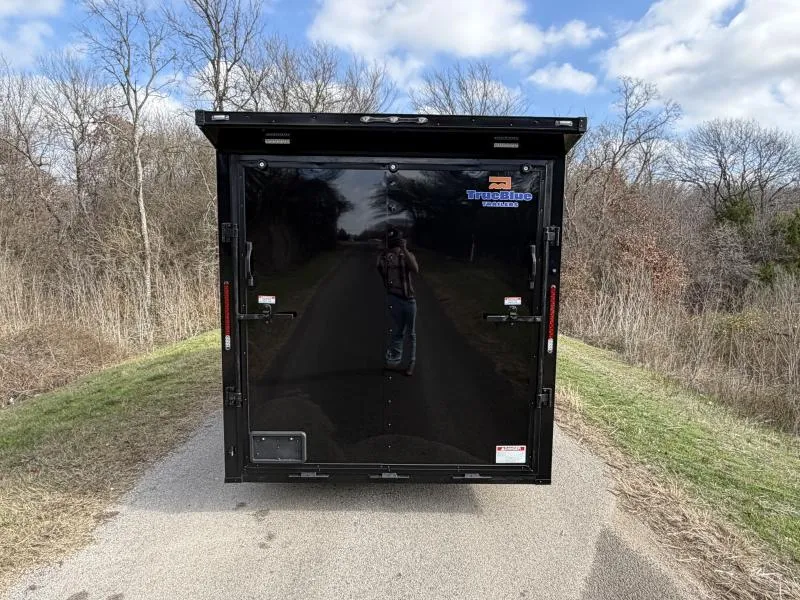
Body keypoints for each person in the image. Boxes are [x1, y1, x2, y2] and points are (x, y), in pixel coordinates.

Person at [376, 227, 419, 376]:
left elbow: (415, 269)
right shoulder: (385, 258)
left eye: (396, 243)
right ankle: (394, 361)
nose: (394, 247)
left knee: (411, 334)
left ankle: (411, 363)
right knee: (398, 332)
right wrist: (382, 251)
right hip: (394, 299)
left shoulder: (406, 256)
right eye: (393, 243)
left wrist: (404, 249)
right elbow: (380, 270)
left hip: (409, 300)